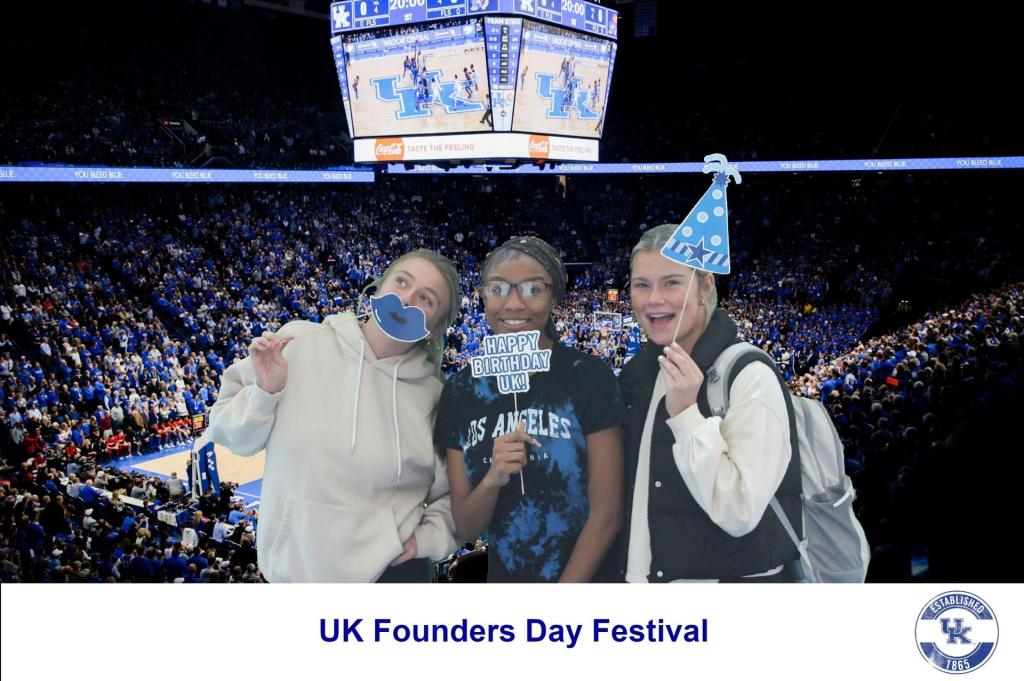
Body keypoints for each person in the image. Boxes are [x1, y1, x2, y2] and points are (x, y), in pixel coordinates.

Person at [208, 250, 461, 582]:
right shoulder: (297, 342)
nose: (406, 299)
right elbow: (231, 437)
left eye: (426, 299)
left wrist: (425, 540)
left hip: (388, 580)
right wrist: (265, 392)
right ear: (378, 288)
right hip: (291, 580)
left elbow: (459, 496)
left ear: (434, 328)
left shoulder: (437, 399)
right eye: (402, 282)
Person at [618, 224, 801, 583]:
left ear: (705, 286)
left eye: (671, 282)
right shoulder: (637, 374)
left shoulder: (750, 376)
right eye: (641, 285)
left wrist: (687, 415)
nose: (653, 299)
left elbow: (740, 511)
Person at [435, 236, 623, 582]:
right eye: (498, 289)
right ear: (482, 295)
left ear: (554, 297)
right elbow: (467, 526)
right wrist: (493, 478)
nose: (514, 304)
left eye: (533, 289)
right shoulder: (460, 391)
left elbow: (607, 515)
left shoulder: (588, 376)